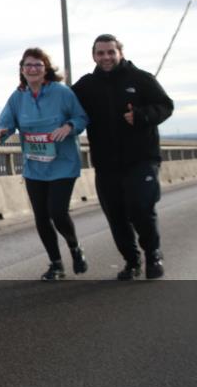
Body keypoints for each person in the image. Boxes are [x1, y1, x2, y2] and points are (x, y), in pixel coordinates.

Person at [72, 34, 174, 280]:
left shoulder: (141, 79)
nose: (106, 57)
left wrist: (142, 115)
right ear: (94, 56)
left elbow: (166, 105)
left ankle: (153, 254)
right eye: (100, 53)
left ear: (120, 53)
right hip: (106, 164)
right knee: (116, 216)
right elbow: (61, 101)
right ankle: (132, 261)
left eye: (111, 52)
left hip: (141, 159)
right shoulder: (86, 85)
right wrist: (30, 87)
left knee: (140, 207)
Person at [0, 48, 90, 280]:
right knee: (41, 216)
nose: (33, 69)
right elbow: (5, 123)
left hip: (63, 164)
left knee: (57, 212)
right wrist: (1, 132)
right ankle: (56, 264)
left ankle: (74, 247)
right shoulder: (18, 97)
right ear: (22, 70)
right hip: (35, 166)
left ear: (46, 69)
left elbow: (81, 117)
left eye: (38, 65)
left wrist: (68, 126)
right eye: (28, 65)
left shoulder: (62, 92)